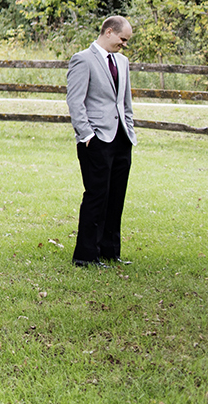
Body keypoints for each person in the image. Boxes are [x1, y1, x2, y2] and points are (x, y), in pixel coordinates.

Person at [66, 15, 137, 268]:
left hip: (121, 139)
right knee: (97, 195)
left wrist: (128, 130)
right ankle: (85, 256)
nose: (124, 44)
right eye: (122, 39)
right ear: (108, 32)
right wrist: (87, 137)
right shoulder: (82, 59)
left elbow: (125, 102)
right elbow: (75, 102)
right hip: (95, 140)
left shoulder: (123, 62)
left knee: (116, 196)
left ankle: (110, 251)